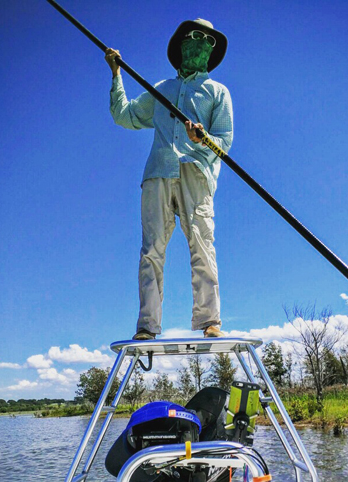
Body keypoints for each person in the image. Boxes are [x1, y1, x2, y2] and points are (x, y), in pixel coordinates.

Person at [105, 19, 233, 340]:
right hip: (157, 174)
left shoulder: (218, 92)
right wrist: (116, 73)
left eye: (209, 40)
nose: (202, 42)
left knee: (203, 245)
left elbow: (224, 142)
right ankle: (148, 326)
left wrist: (203, 138)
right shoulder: (160, 90)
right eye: (195, 36)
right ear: (181, 45)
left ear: (211, 51)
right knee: (151, 250)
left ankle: (210, 321)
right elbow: (125, 115)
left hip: (196, 173)